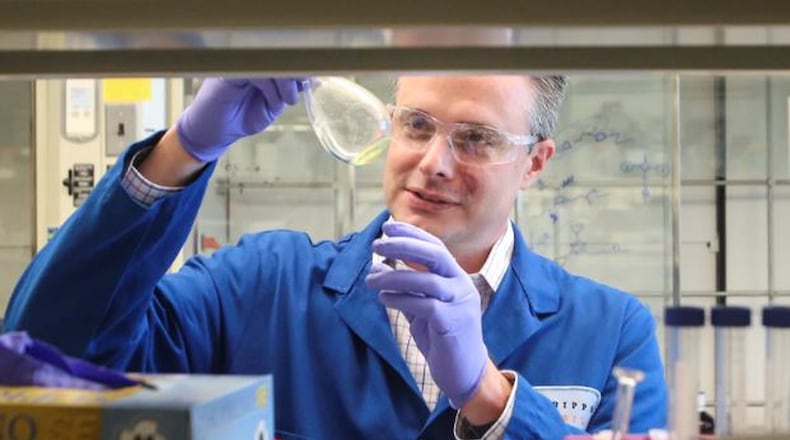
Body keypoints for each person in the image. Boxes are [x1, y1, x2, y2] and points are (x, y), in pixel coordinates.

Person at [4, 75, 667, 439]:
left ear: (535, 163)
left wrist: (491, 399)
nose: (433, 163)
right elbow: (45, 360)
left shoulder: (611, 331)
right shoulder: (263, 287)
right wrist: (182, 152)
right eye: (416, 126)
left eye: (477, 139)